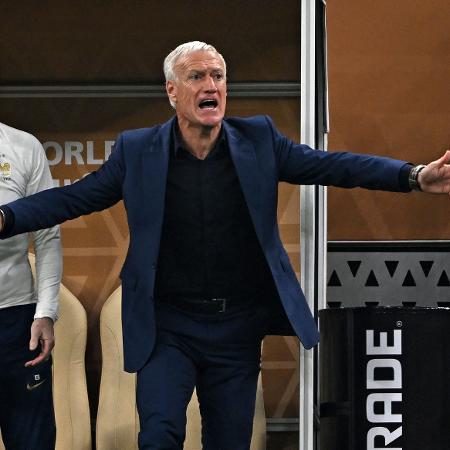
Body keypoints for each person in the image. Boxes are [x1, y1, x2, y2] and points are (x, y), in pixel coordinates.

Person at [0, 41, 449, 449]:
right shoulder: (138, 151)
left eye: (218, 76)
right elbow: (72, 198)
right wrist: (7, 217)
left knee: (229, 442)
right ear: (172, 92)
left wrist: (412, 176)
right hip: (167, 327)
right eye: (197, 76)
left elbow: (334, 166)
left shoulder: (259, 140)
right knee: (158, 435)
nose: (211, 85)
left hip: (235, 328)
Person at [0, 122, 62, 449]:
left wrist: (46, 312)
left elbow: (47, 236)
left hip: (17, 322)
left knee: (31, 442)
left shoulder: (23, 146)